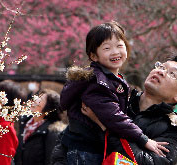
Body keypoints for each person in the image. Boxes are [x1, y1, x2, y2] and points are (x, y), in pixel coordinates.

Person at [52, 53, 177, 165]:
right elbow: (68, 138)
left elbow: (147, 163)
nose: (161, 72)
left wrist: (105, 126)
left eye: (172, 74)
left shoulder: (175, 129)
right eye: (161, 67)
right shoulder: (116, 98)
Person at [59, 21, 167, 164]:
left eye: (119, 45)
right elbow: (113, 116)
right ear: (93, 56)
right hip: (86, 149)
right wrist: (143, 139)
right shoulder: (97, 82)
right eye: (107, 48)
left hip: (91, 146)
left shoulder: (112, 79)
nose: (115, 52)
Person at [15, 89, 66, 165]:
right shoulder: (23, 123)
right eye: (37, 97)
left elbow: (50, 161)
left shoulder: (52, 131)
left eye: (40, 99)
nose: (35, 100)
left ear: (48, 108)